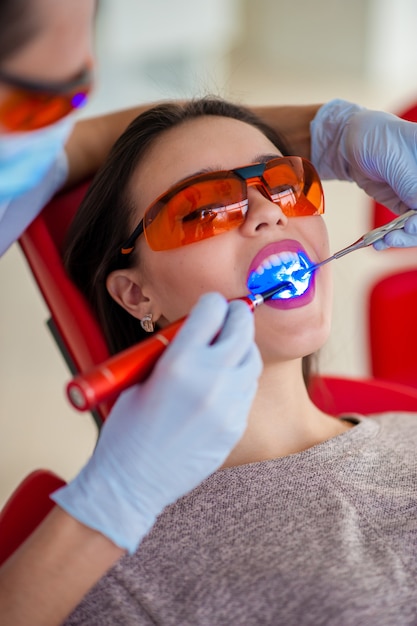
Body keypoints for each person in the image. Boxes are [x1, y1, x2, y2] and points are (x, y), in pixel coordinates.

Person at [2, 1, 417, 624]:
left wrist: (330, 130)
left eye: (283, 183)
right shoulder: (118, 579)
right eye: (201, 210)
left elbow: (72, 141)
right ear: (136, 295)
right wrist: (115, 502)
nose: (269, 212)